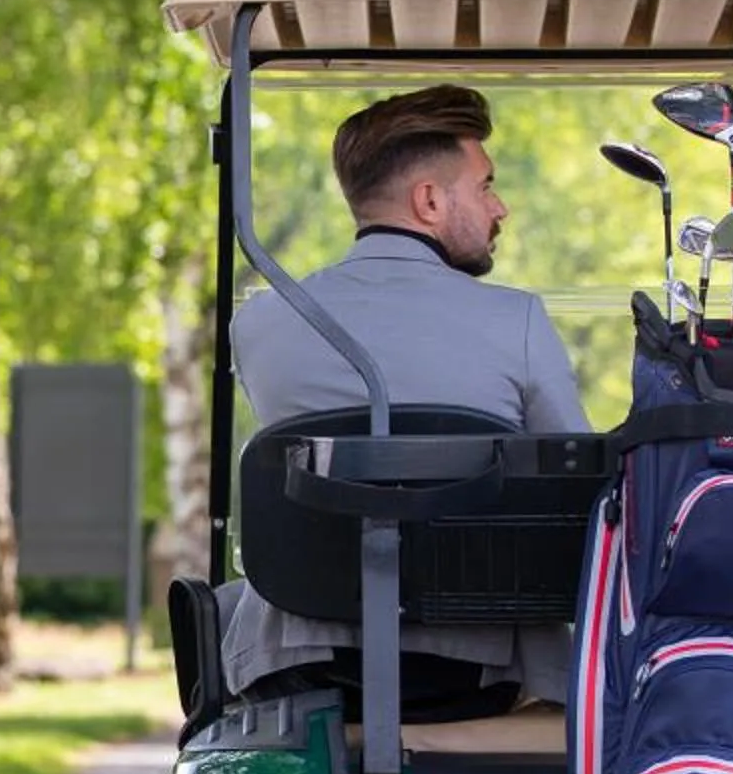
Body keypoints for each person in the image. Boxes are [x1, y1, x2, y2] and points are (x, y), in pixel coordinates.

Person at [222, 83, 588, 708]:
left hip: (298, 655)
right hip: (480, 663)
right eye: (485, 186)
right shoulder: (516, 321)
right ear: (428, 201)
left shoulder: (259, 324)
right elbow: (580, 481)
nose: (498, 208)